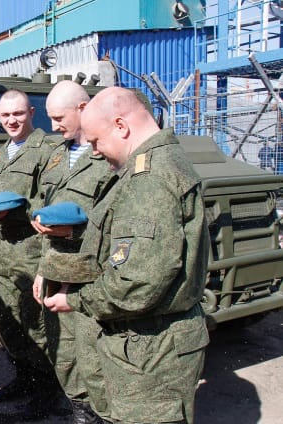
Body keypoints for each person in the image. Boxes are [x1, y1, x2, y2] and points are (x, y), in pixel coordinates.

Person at [42, 87, 210, 424]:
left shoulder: (149, 179)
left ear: (121, 126)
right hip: (147, 346)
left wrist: (75, 300)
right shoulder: (151, 165)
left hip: (151, 352)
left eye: (96, 141)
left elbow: (136, 283)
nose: (94, 150)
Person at [0, 89, 69, 420]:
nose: (11, 120)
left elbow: (54, 206)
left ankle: (48, 391)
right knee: (8, 323)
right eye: (5, 115)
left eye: (17, 113)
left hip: (31, 253)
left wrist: (17, 211)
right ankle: (25, 378)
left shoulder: (48, 152)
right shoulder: (0, 157)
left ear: (31, 113)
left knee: (37, 326)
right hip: (1, 255)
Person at [30, 81, 112, 424]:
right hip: (56, 267)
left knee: (93, 353)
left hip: (91, 273)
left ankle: (100, 412)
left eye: (59, 118)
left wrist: (76, 230)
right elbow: (42, 203)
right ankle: (79, 408)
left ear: (83, 108)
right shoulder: (56, 154)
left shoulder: (108, 154)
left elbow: (117, 219)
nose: (53, 126)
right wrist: (42, 268)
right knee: (62, 348)